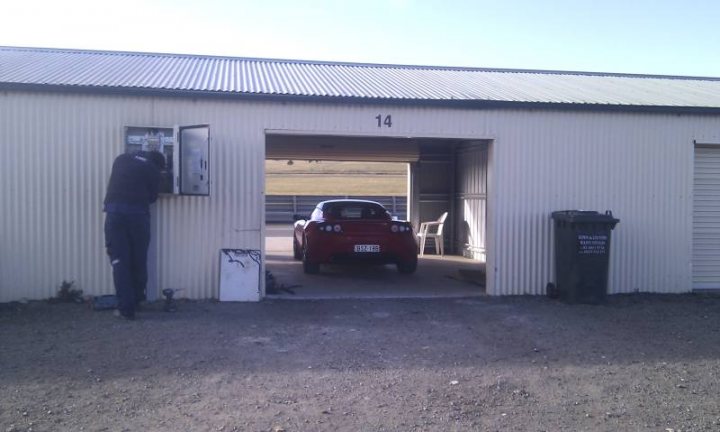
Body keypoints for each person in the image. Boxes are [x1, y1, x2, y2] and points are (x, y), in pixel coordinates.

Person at [103, 150, 165, 320]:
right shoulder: (153, 169)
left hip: (114, 214)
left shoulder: (121, 158)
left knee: (119, 261)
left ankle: (125, 309)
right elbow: (152, 197)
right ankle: (136, 301)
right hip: (138, 217)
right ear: (159, 165)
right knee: (139, 259)